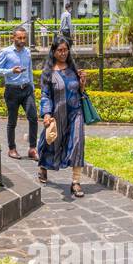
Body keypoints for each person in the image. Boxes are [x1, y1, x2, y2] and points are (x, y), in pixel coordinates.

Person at [38, 37, 89, 198]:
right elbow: (45, 95)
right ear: (53, 52)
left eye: (65, 50)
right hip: (57, 115)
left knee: (77, 142)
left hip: (76, 113)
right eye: (60, 50)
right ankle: (43, 167)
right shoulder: (48, 73)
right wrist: (46, 114)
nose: (63, 53)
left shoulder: (73, 69)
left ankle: (75, 182)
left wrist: (82, 83)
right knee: (51, 142)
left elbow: (79, 92)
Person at [0, 28, 38, 161]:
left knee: (33, 118)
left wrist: (32, 86)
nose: (22, 40)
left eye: (24, 38)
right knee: (12, 121)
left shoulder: (28, 52)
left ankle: (32, 149)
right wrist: (11, 71)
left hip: (27, 89)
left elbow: (29, 70)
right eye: (19, 38)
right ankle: (12, 149)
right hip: (12, 90)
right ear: (13, 38)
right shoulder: (5, 52)